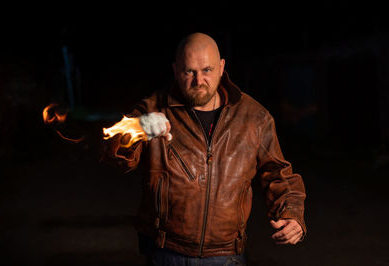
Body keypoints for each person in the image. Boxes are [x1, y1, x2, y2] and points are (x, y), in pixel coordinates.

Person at [104, 32, 306, 265]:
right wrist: (138, 128)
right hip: (166, 253)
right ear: (175, 70)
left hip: (227, 255)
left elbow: (278, 173)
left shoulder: (254, 117)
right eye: (189, 71)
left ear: (221, 68)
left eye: (207, 70)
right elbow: (111, 151)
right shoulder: (152, 110)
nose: (198, 81)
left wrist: (292, 214)